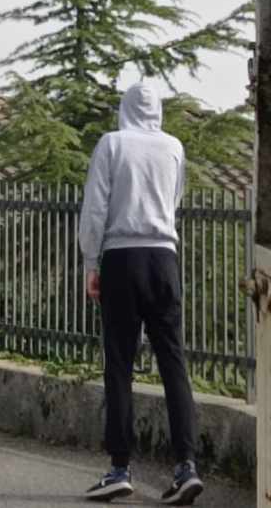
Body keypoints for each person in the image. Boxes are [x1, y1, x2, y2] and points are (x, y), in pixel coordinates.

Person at [79, 81, 203, 505]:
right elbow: (175, 200)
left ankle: (119, 468)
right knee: (174, 364)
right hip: (163, 258)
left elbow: (96, 206)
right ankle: (186, 465)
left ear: (124, 108)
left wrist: (90, 263)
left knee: (119, 363)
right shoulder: (174, 147)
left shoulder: (111, 144)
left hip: (121, 258)